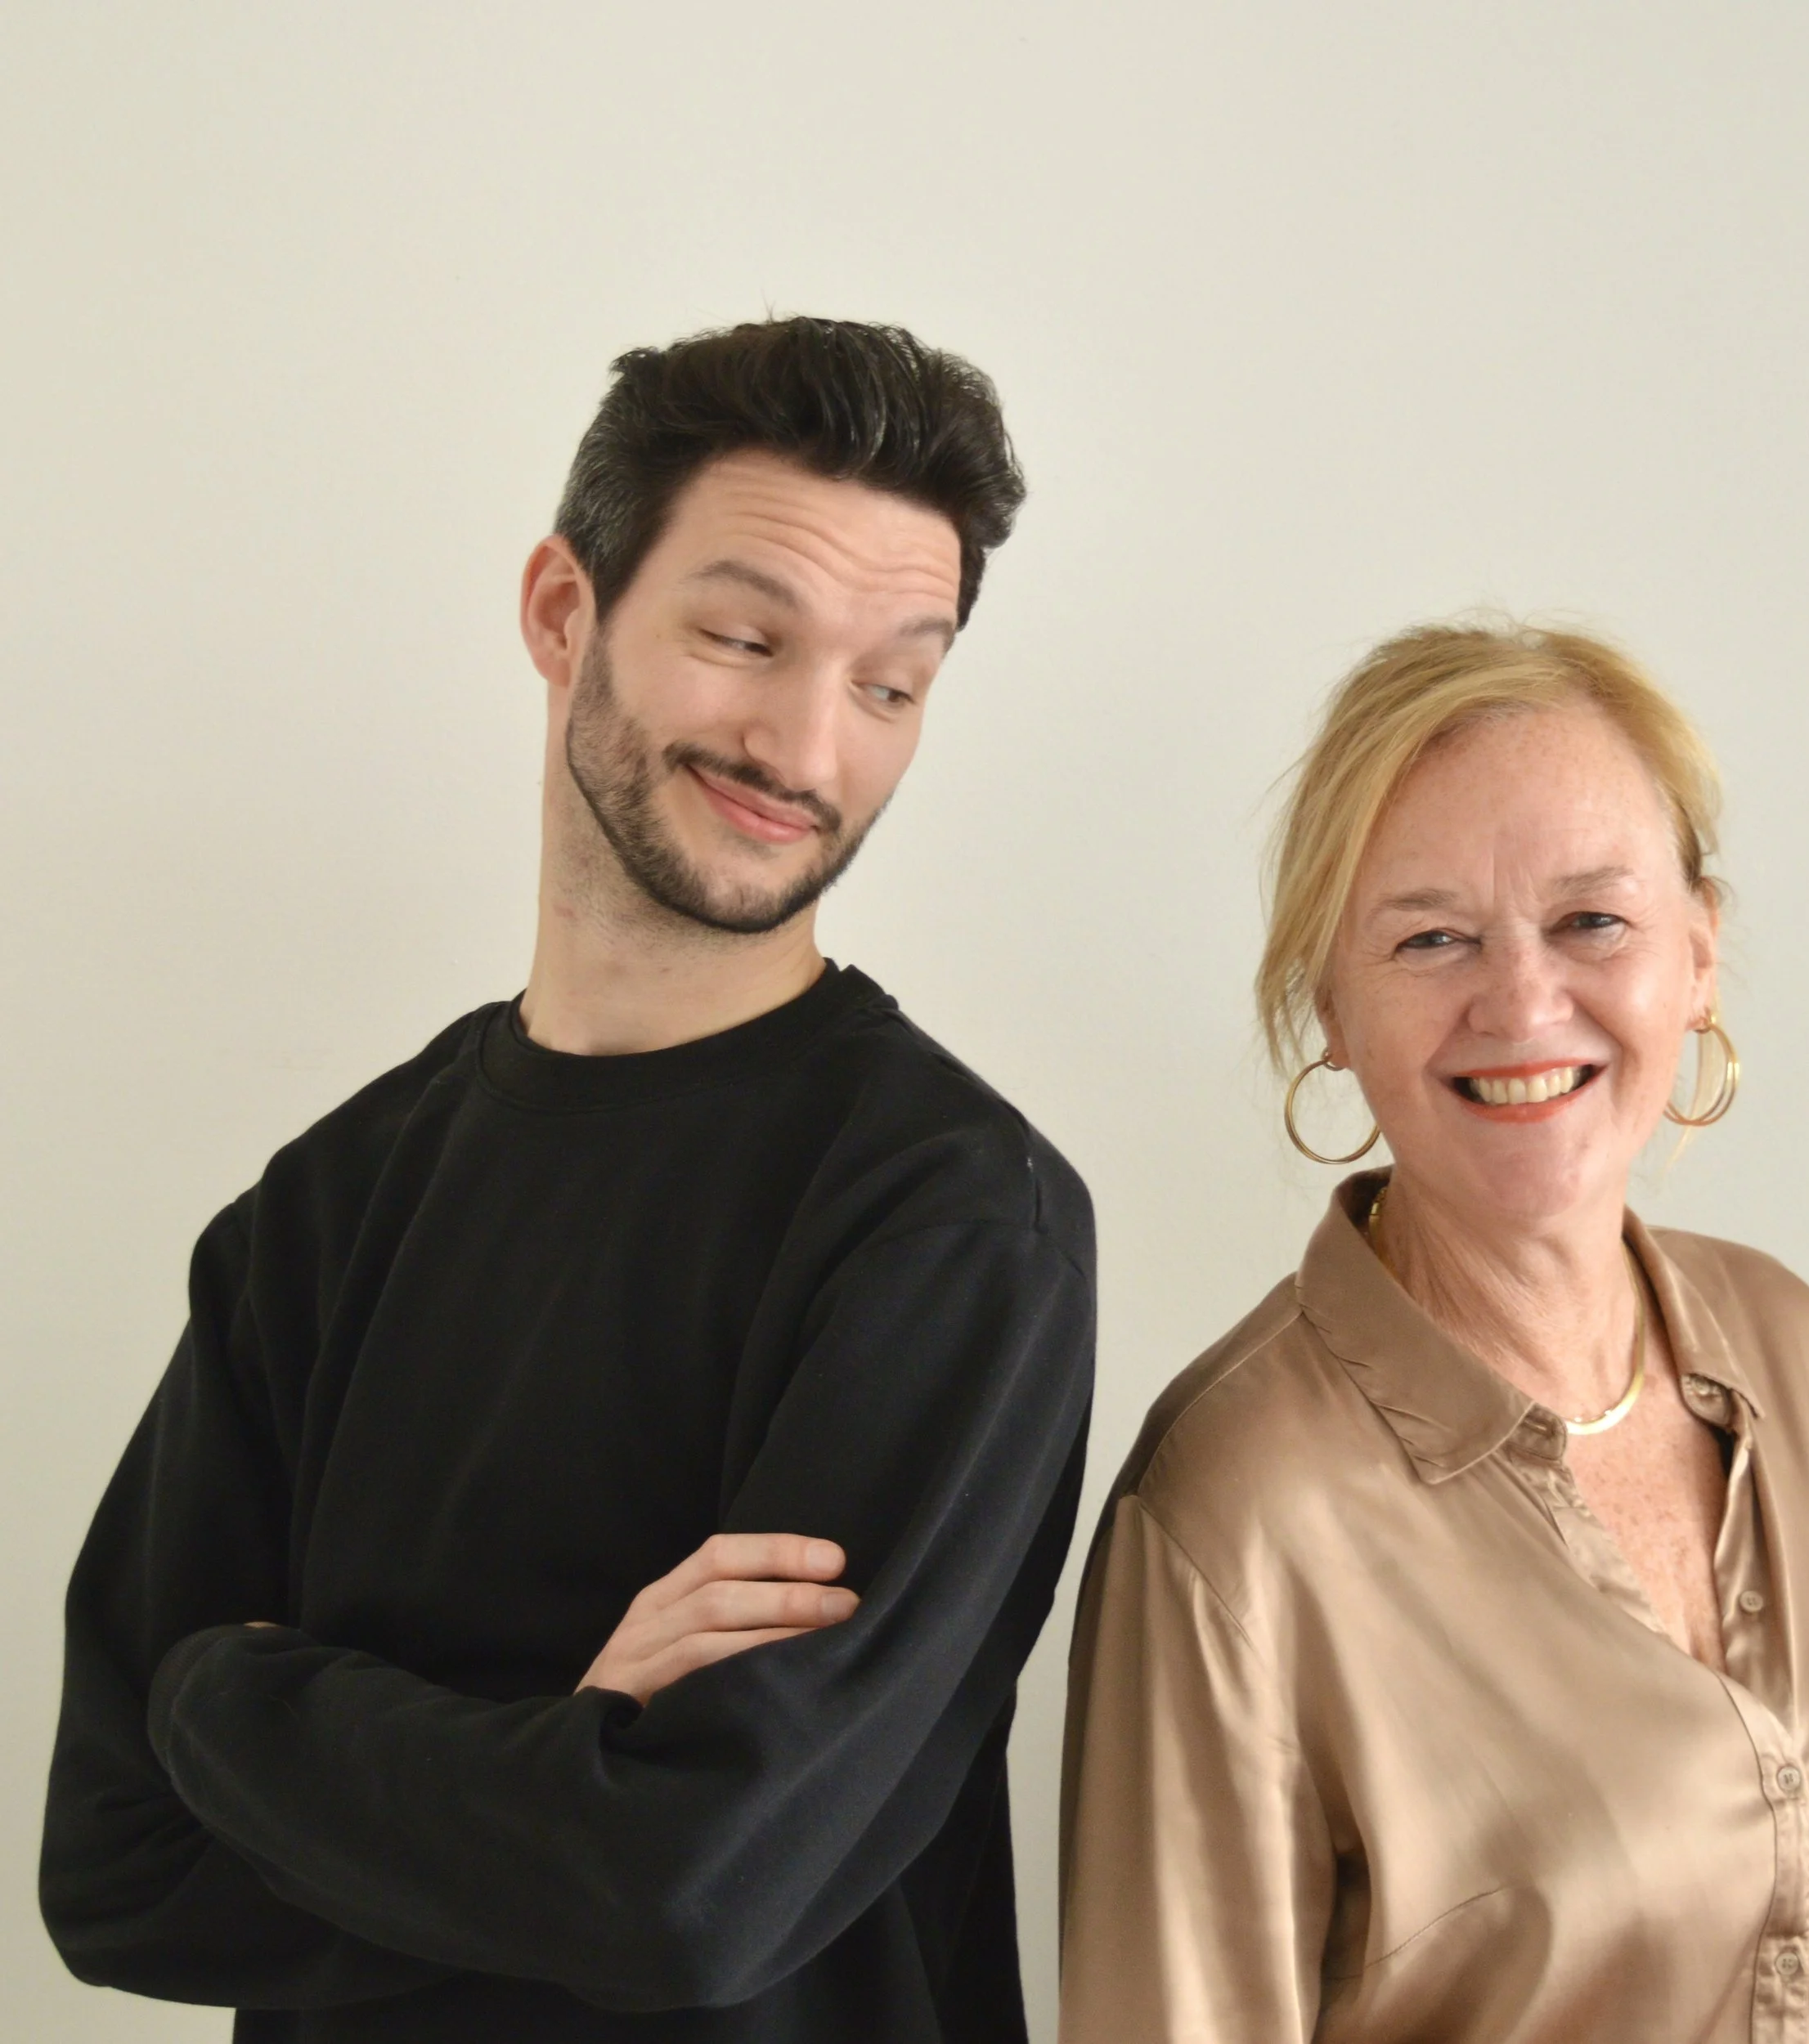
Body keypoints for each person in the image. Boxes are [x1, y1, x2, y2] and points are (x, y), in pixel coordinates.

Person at [42, 316, 1095, 2044]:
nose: (805, 746)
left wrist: (231, 1701)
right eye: (744, 637)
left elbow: (691, 1889)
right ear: (561, 610)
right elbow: (113, 1868)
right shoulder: (321, 1212)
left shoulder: (955, 1222)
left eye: (889, 686)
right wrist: (567, 1762)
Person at [1059, 623, 1809, 2042]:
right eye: (1431, 938)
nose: (1522, 1003)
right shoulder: (1231, 1513)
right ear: (1330, 1004)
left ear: (1699, 954)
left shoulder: (1798, 1354)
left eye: (1592, 921)